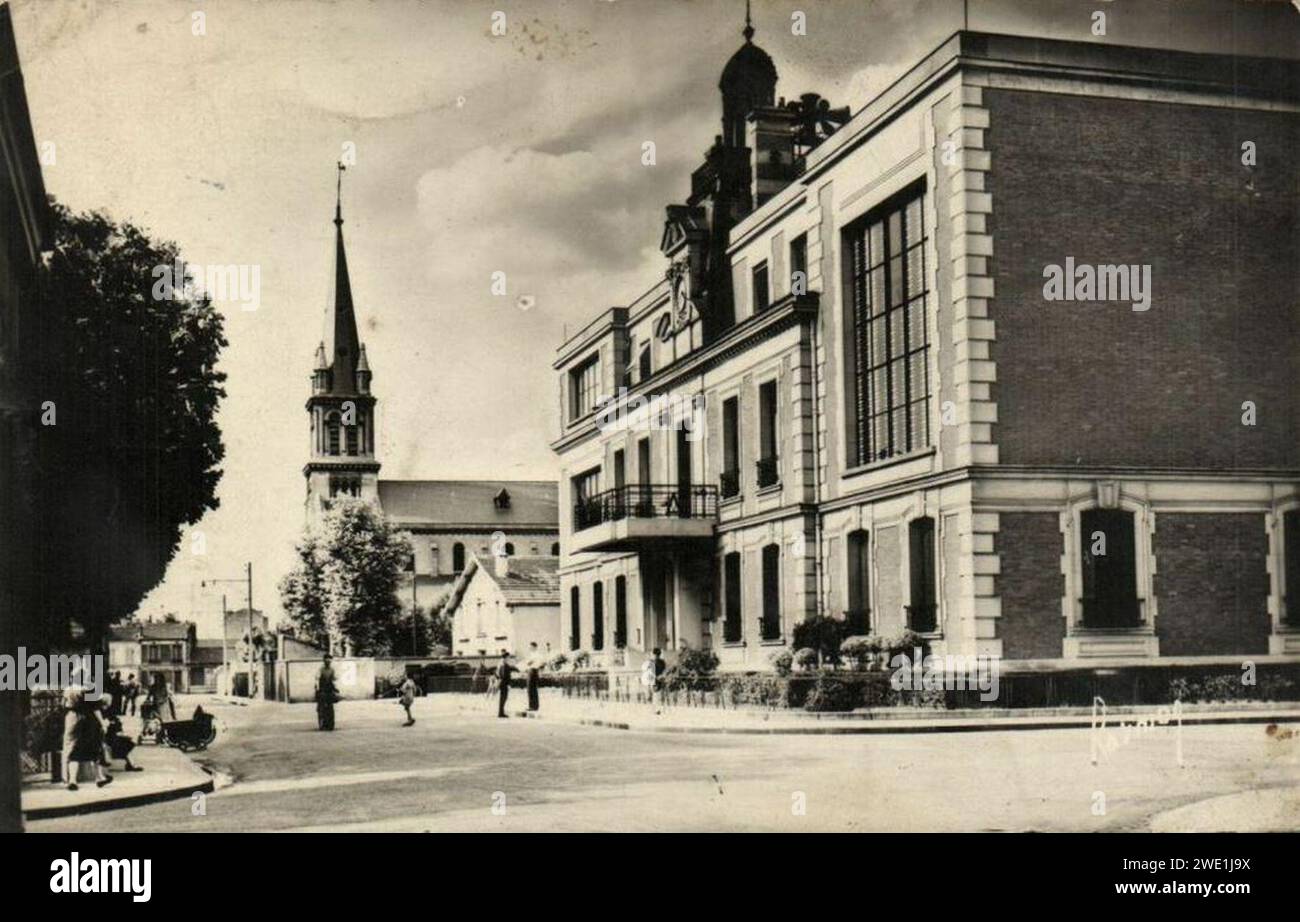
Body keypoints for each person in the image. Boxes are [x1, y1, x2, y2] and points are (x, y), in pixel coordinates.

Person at [64, 689, 112, 790]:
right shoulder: (89, 689)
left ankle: (72, 780)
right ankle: (99, 778)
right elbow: (95, 708)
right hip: (88, 720)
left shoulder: (69, 689)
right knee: (95, 749)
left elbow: (64, 704)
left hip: (72, 718)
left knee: (74, 750)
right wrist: (103, 723)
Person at [315, 654, 338, 731]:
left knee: (330, 707)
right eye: (327, 659)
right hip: (322, 689)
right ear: (324, 660)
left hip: (329, 689)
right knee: (321, 707)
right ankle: (322, 724)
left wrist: (336, 688)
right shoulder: (320, 670)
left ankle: (330, 724)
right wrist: (317, 689)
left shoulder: (332, 670)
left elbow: (334, 679)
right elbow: (317, 680)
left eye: (330, 659)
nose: (328, 661)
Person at [495, 652, 518, 719]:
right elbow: (505, 676)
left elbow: (498, 673)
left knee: (502, 698)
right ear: (506, 657)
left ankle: (501, 712)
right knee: (503, 698)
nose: (509, 658)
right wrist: (508, 684)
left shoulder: (501, 664)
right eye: (508, 657)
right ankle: (501, 713)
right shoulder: (504, 665)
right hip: (504, 683)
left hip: (501, 683)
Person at [525, 642, 541, 712]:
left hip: (533, 671)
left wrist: (528, 663)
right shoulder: (533, 654)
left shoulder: (536, 654)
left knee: (531, 689)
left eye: (531, 647)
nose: (529, 648)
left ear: (534, 647)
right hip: (532, 671)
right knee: (532, 689)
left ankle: (532, 706)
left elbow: (529, 663)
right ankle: (534, 706)